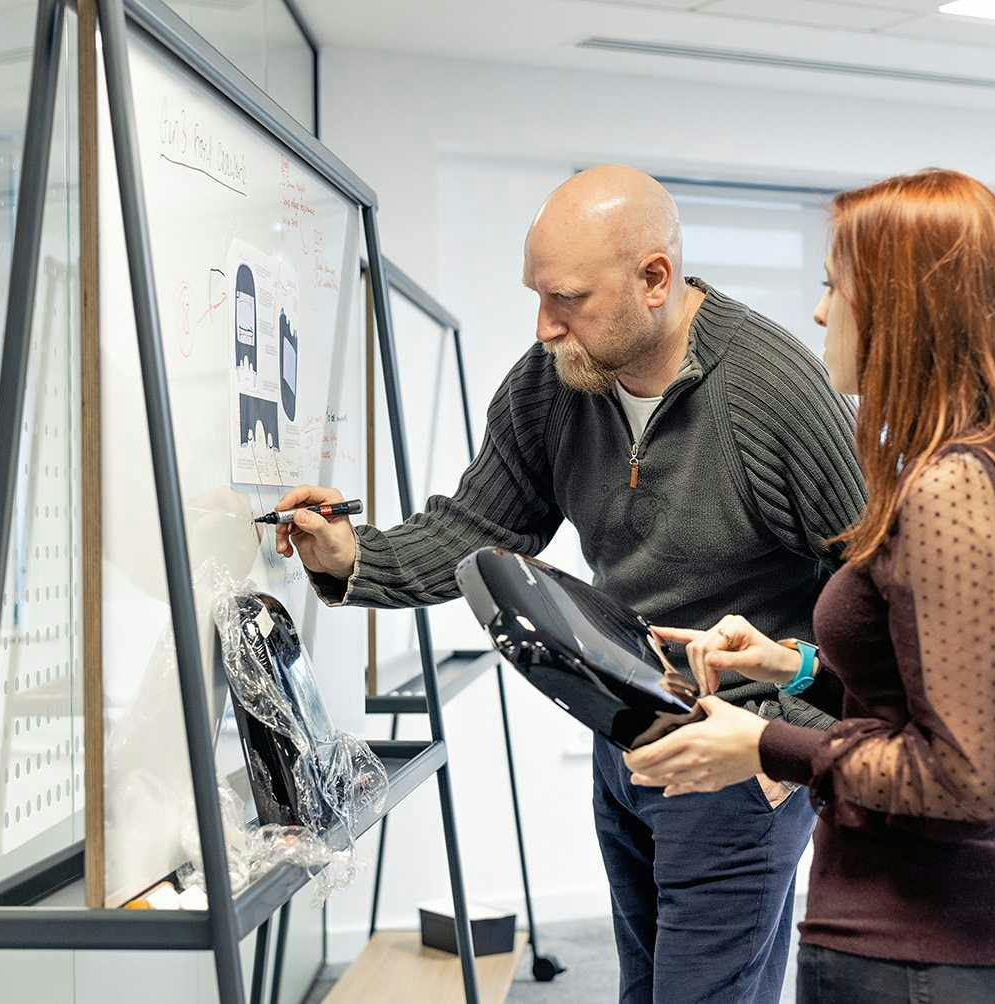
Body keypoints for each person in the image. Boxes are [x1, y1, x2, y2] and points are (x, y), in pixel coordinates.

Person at [272, 164, 866, 1002]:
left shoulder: (772, 391)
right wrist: (349, 557)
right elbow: (475, 529)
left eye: (569, 299)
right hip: (621, 734)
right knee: (648, 985)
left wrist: (790, 743)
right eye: (537, 296)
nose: (545, 325)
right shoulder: (554, 381)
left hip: (737, 754)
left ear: (654, 279)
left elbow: (869, 592)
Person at [624, 168, 995, 1004]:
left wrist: (763, 744)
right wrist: (795, 670)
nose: (818, 312)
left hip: (927, 953)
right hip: (959, 945)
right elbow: (940, 698)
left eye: (833, 286)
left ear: (903, 308)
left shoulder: (956, 488)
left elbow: (963, 778)